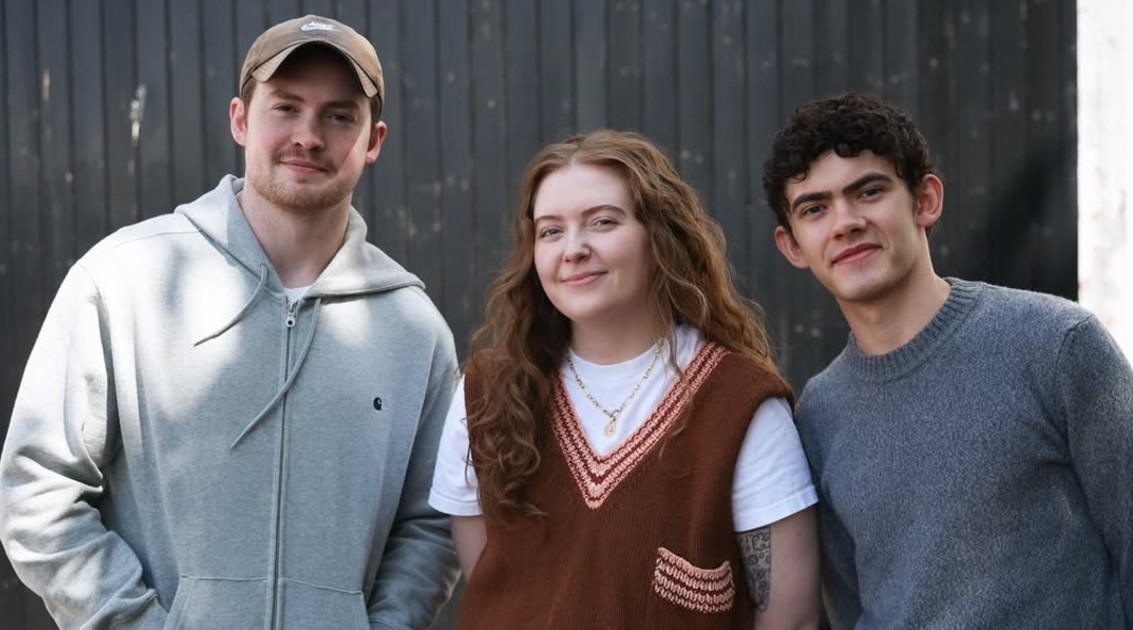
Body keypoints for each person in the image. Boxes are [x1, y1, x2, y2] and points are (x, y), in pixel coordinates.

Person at [0, 15, 458, 629]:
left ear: (373, 140)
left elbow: (432, 524)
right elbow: (38, 489)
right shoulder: (124, 279)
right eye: (286, 107)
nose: (308, 136)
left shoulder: (413, 330)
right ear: (240, 119)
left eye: (338, 115)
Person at [763, 91, 1133, 629]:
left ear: (925, 200)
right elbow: (854, 609)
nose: (845, 222)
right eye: (815, 208)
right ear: (793, 245)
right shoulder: (818, 416)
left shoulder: (1057, 345)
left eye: (869, 191)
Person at [429, 129, 820, 628]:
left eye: (603, 222)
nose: (573, 249)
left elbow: (790, 618)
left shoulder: (741, 404)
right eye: (551, 231)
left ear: (660, 237)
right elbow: (493, 580)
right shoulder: (485, 394)